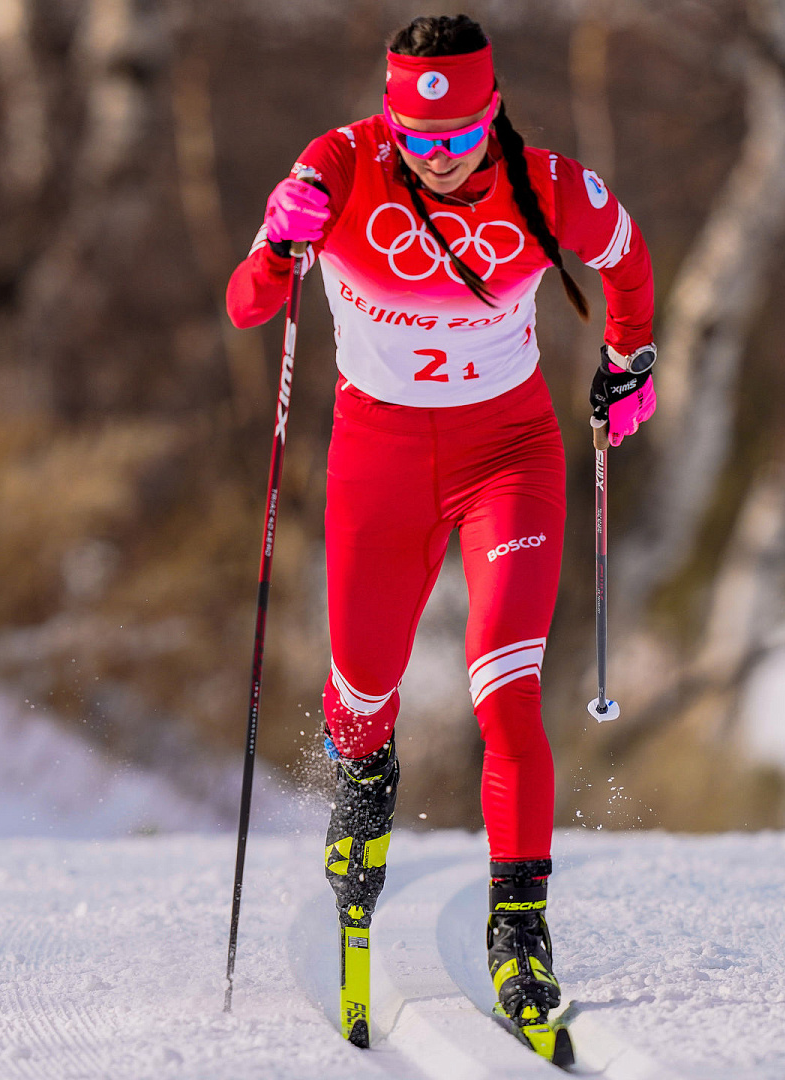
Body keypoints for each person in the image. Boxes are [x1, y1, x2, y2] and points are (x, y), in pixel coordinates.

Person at [226, 13, 657, 1055]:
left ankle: (520, 929)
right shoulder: (336, 168)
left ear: (493, 111)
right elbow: (248, 307)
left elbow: (629, 262)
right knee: (360, 695)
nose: (440, 159)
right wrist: (282, 243)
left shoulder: (548, 186)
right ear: (390, 119)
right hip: (377, 469)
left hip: (509, 456)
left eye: (459, 137)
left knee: (505, 696)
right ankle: (366, 782)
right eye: (417, 141)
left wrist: (631, 360)